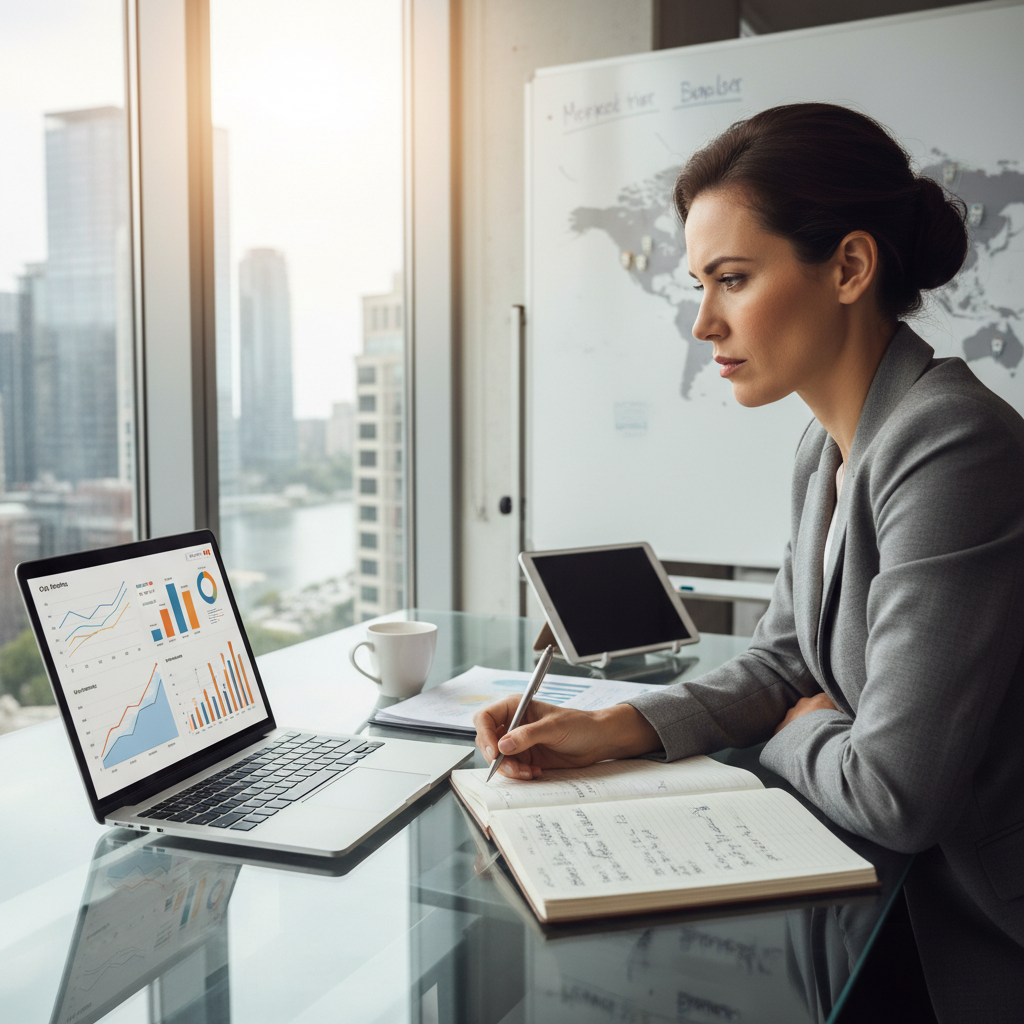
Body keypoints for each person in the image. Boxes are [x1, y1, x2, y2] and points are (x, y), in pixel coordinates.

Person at [473, 103, 1024, 1021]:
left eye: (731, 279)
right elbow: (785, 662)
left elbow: (894, 793)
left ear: (849, 267)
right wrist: (617, 727)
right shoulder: (827, 445)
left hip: (964, 930)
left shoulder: (952, 447)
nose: (701, 324)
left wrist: (794, 729)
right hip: (878, 897)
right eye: (699, 283)